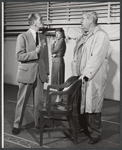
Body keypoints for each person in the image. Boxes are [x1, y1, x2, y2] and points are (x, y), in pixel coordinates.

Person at [72, 11, 110, 144]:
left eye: (82, 19)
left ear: (91, 20)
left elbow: (96, 58)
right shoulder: (86, 36)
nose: (80, 21)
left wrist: (85, 75)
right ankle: (85, 128)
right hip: (83, 76)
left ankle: (95, 133)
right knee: (82, 105)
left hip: (93, 77)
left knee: (93, 105)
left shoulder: (101, 36)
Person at [12, 13, 49, 135]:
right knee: (22, 101)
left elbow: (45, 57)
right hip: (27, 74)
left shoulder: (43, 37)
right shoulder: (22, 36)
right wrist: (35, 52)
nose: (43, 20)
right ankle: (17, 124)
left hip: (40, 74)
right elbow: (19, 56)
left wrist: (46, 72)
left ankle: (38, 123)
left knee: (39, 102)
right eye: (41, 19)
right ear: (34, 22)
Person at [51, 28, 66, 103]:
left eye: (59, 33)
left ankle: (59, 96)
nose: (57, 35)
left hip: (58, 62)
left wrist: (52, 45)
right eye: (56, 33)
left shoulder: (61, 40)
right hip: (56, 61)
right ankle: (60, 96)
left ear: (62, 34)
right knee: (57, 79)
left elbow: (53, 51)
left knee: (59, 79)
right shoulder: (59, 41)